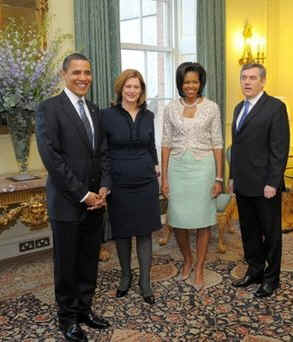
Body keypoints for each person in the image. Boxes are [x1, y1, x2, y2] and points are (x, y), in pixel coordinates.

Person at [35, 53, 111, 342]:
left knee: (89, 260)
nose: (83, 78)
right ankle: (67, 319)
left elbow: (103, 153)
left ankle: (85, 310)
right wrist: (83, 194)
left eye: (87, 72)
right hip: (67, 202)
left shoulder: (94, 109)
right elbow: (52, 159)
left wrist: (104, 187)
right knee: (66, 264)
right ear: (64, 75)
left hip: (96, 203)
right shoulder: (49, 109)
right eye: (77, 72)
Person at [161, 62, 223, 290]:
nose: (191, 86)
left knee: (203, 221)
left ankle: (199, 266)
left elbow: (217, 144)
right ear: (180, 83)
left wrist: (218, 178)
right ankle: (187, 258)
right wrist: (164, 178)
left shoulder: (212, 108)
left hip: (203, 169)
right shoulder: (169, 108)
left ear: (201, 83)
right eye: (187, 81)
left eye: (195, 81)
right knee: (177, 219)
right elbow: (165, 143)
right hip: (177, 169)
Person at [102, 69, 161, 305]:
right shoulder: (107, 115)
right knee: (123, 233)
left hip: (146, 181)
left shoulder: (149, 116)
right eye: (128, 86)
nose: (132, 91)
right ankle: (126, 276)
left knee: (145, 233)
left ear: (141, 91)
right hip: (119, 183)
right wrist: (105, 182)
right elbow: (103, 152)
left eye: (136, 87)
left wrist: (156, 166)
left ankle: (145, 281)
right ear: (121, 89)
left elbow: (151, 146)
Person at [230, 63, 290, 298]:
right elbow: (237, 147)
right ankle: (254, 270)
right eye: (244, 77)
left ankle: (271, 279)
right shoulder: (238, 108)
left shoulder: (275, 108)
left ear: (263, 81)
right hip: (243, 183)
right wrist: (233, 176)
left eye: (252, 78)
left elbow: (279, 149)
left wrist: (273, 183)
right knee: (249, 232)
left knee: (271, 234)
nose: (247, 82)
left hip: (265, 185)